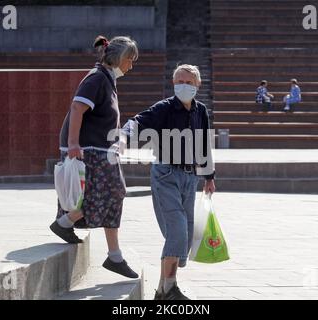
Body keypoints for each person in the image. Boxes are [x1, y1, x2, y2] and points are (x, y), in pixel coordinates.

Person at [121, 64, 216, 300]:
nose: (184, 86)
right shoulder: (163, 108)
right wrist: (123, 137)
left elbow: (204, 144)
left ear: (198, 85)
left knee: (185, 232)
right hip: (166, 175)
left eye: (189, 82)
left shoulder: (200, 111)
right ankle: (170, 287)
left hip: (190, 177)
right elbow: (137, 122)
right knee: (177, 231)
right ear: (174, 84)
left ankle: (163, 290)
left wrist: (209, 176)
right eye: (179, 82)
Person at [49, 35, 139, 279]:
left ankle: (113, 255)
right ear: (119, 59)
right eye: (130, 60)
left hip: (100, 149)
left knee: (112, 194)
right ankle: (67, 223)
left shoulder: (107, 79)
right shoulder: (98, 78)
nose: (131, 66)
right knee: (108, 193)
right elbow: (77, 107)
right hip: (88, 150)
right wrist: (73, 144)